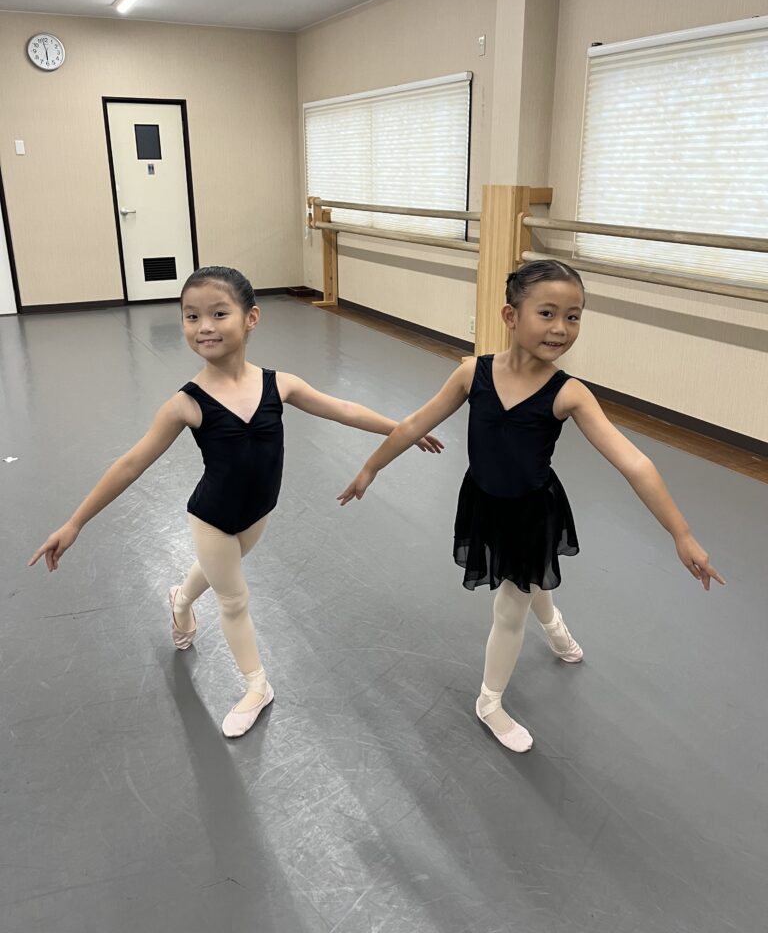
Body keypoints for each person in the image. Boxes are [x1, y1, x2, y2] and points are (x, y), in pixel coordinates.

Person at [29, 266, 442, 738]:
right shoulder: (186, 403)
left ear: (251, 318)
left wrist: (401, 430)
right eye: (191, 316)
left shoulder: (279, 385)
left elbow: (343, 409)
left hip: (258, 512)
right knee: (233, 597)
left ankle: (180, 599)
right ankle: (256, 685)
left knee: (216, 569)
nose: (204, 326)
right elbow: (130, 464)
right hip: (212, 516)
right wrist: (75, 522)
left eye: (218, 314)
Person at [338, 260, 724, 753]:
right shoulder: (472, 374)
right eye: (547, 313)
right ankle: (556, 627)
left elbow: (634, 463)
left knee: (510, 605)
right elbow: (415, 423)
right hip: (483, 501)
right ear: (511, 315)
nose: (561, 328)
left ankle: (489, 701)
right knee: (529, 578)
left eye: (573, 316)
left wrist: (681, 532)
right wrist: (371, 467)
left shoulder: (569, 393)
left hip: (532, 512)